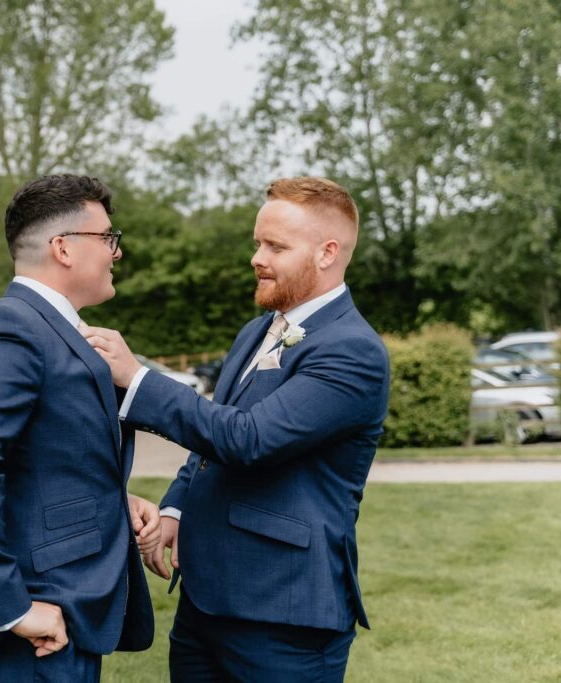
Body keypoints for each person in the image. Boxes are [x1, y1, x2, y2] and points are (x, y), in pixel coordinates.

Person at [82, 176, 391, 681]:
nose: (256, 257)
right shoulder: (256, 330)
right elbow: (211, 438)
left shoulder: (353, 351)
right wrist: (178, 506)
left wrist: (138, 378)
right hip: (206, 599)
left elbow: (247, 438)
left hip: (284, 613)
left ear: (327, 252)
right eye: (257, 243)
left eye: (276, 246)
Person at [0, 174, 158, 682]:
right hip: (37, 616)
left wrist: (113, 502)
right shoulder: (10, 329)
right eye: (108, 239)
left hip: (66, 603)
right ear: (64, 248)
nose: (116, 253)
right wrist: (11, 608)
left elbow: (43, 461)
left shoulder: (52, 328)